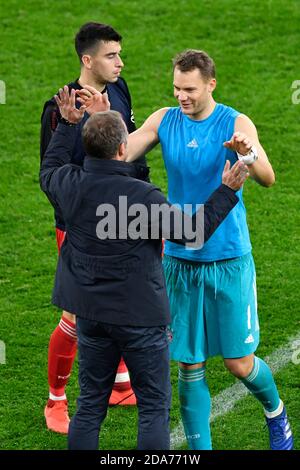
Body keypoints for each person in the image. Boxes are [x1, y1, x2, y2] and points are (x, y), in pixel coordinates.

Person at [78, 49, 293, 450]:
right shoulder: (165, 120)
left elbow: (268, 177)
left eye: (190, 89)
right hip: (178, 259)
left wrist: (247, 153)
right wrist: (98, 121)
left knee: (238, 363)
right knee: (189, 364)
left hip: (228, 258)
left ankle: (276, 413)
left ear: (211, 84)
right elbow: (120, 151)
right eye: (176, 87)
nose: (182, 96)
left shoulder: (236, 122)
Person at [39, 86, 247, 449]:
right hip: (139, 318)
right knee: (153, 408)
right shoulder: (143, 198)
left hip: (90, 314)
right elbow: (192, 232)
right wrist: (226, 191)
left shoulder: (68, 185)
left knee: (89, 407)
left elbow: (50, 168)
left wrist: (68, 125)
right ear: (123, 149)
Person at [40, 22, 148, 434]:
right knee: (76, 314)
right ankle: (56, 400)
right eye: (111, 55)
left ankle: (120, 384)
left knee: (121, 299)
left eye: (119, 54)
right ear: (88, 60)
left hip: (125, 216)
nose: (120, 62)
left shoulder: (119, 91)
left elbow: (130, 150)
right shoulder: (60, 108)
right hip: (81, 228)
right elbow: (52, 174)